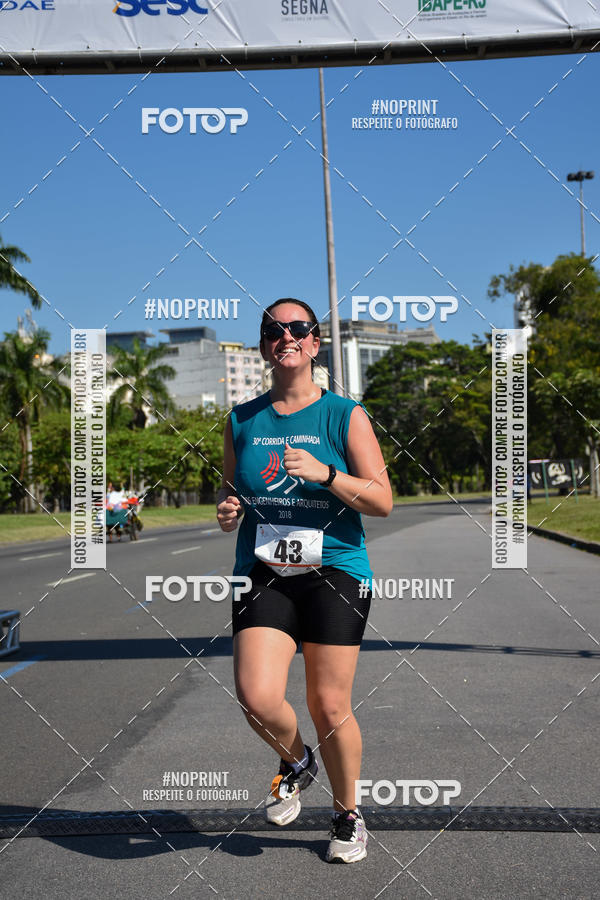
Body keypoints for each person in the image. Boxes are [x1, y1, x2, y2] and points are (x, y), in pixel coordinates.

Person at [216, 298, 392, 863]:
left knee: (327, 701)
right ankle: (296, 761)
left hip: (334, 570)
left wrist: (327, 474)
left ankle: (348, 817)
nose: (285, 336)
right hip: (265, 571)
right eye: (273, 329)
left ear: (315, 344)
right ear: (264, 345)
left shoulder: (345, 416)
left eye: (297, 329)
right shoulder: (241, 420)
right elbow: (233, 491)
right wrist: (227, 510)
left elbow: (384, 500)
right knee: (256, 696)